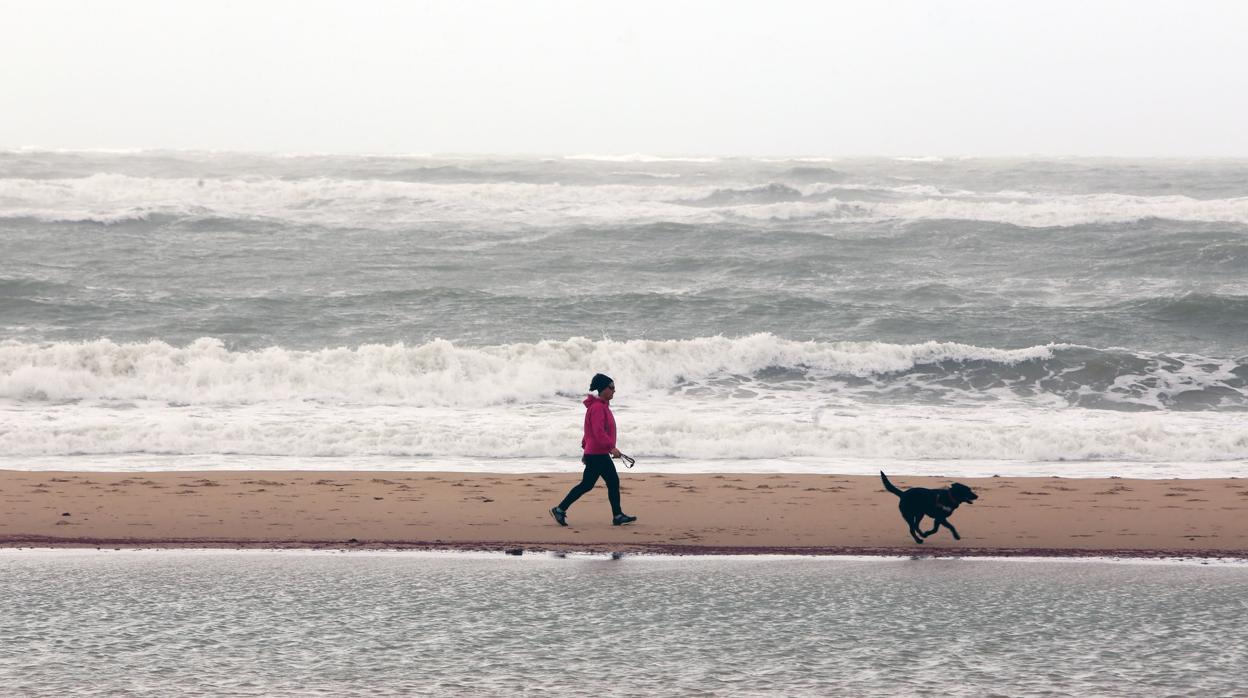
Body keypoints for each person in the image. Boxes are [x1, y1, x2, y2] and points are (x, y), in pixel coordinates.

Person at [549, 373, 637, 527]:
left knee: (587, 484)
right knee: (612, 482)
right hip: (598, 454)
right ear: (603, 389)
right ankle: (617, 515)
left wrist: (586, 450)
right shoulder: (597, 408)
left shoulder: (600, 407)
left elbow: (588, 433)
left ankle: (560, 509)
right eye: (611, 387)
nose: (614, 390)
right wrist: (611, 447)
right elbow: (597, 432)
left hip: (595, 453)